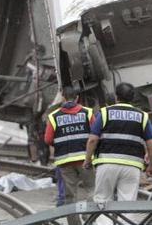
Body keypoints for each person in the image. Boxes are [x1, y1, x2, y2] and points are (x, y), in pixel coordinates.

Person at [84, 83, 152, 206]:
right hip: (132, 166)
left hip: (106, 163)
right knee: (127, 204)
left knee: (102, 201)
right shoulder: (142, 116)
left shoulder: (105, 113)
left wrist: (87, 160)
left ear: (117, 97)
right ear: (132, 98)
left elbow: (92, 140)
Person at [44, 86, 94, 225]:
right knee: (92, 189)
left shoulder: (54, 117)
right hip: (85, 159)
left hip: (65, 161)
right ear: (77, 98)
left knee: (70, 195)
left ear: (63, 98)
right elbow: (95, 135)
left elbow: (48, 139)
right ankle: (89, 217)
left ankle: (74, 223)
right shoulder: (87, 113)